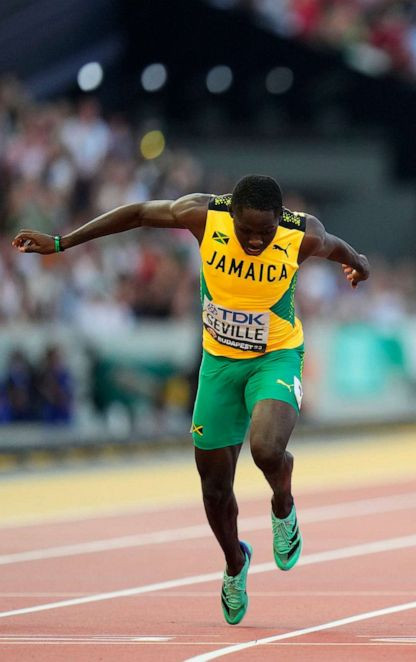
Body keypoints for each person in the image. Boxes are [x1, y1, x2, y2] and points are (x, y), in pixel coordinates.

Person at [12, 175, 370, 623]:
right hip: (218, 365)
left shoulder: (303, 233)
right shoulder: (203, 214)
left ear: (280, 220)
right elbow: (138, 213)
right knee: (215, 488)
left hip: (275, 357)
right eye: (247, 231)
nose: (256, 241)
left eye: (266, 231)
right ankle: (235, 563)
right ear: (232, 217)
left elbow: (340, 248)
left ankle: (283, 505)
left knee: (265, 449)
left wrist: (358, 264)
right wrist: (63, 242)